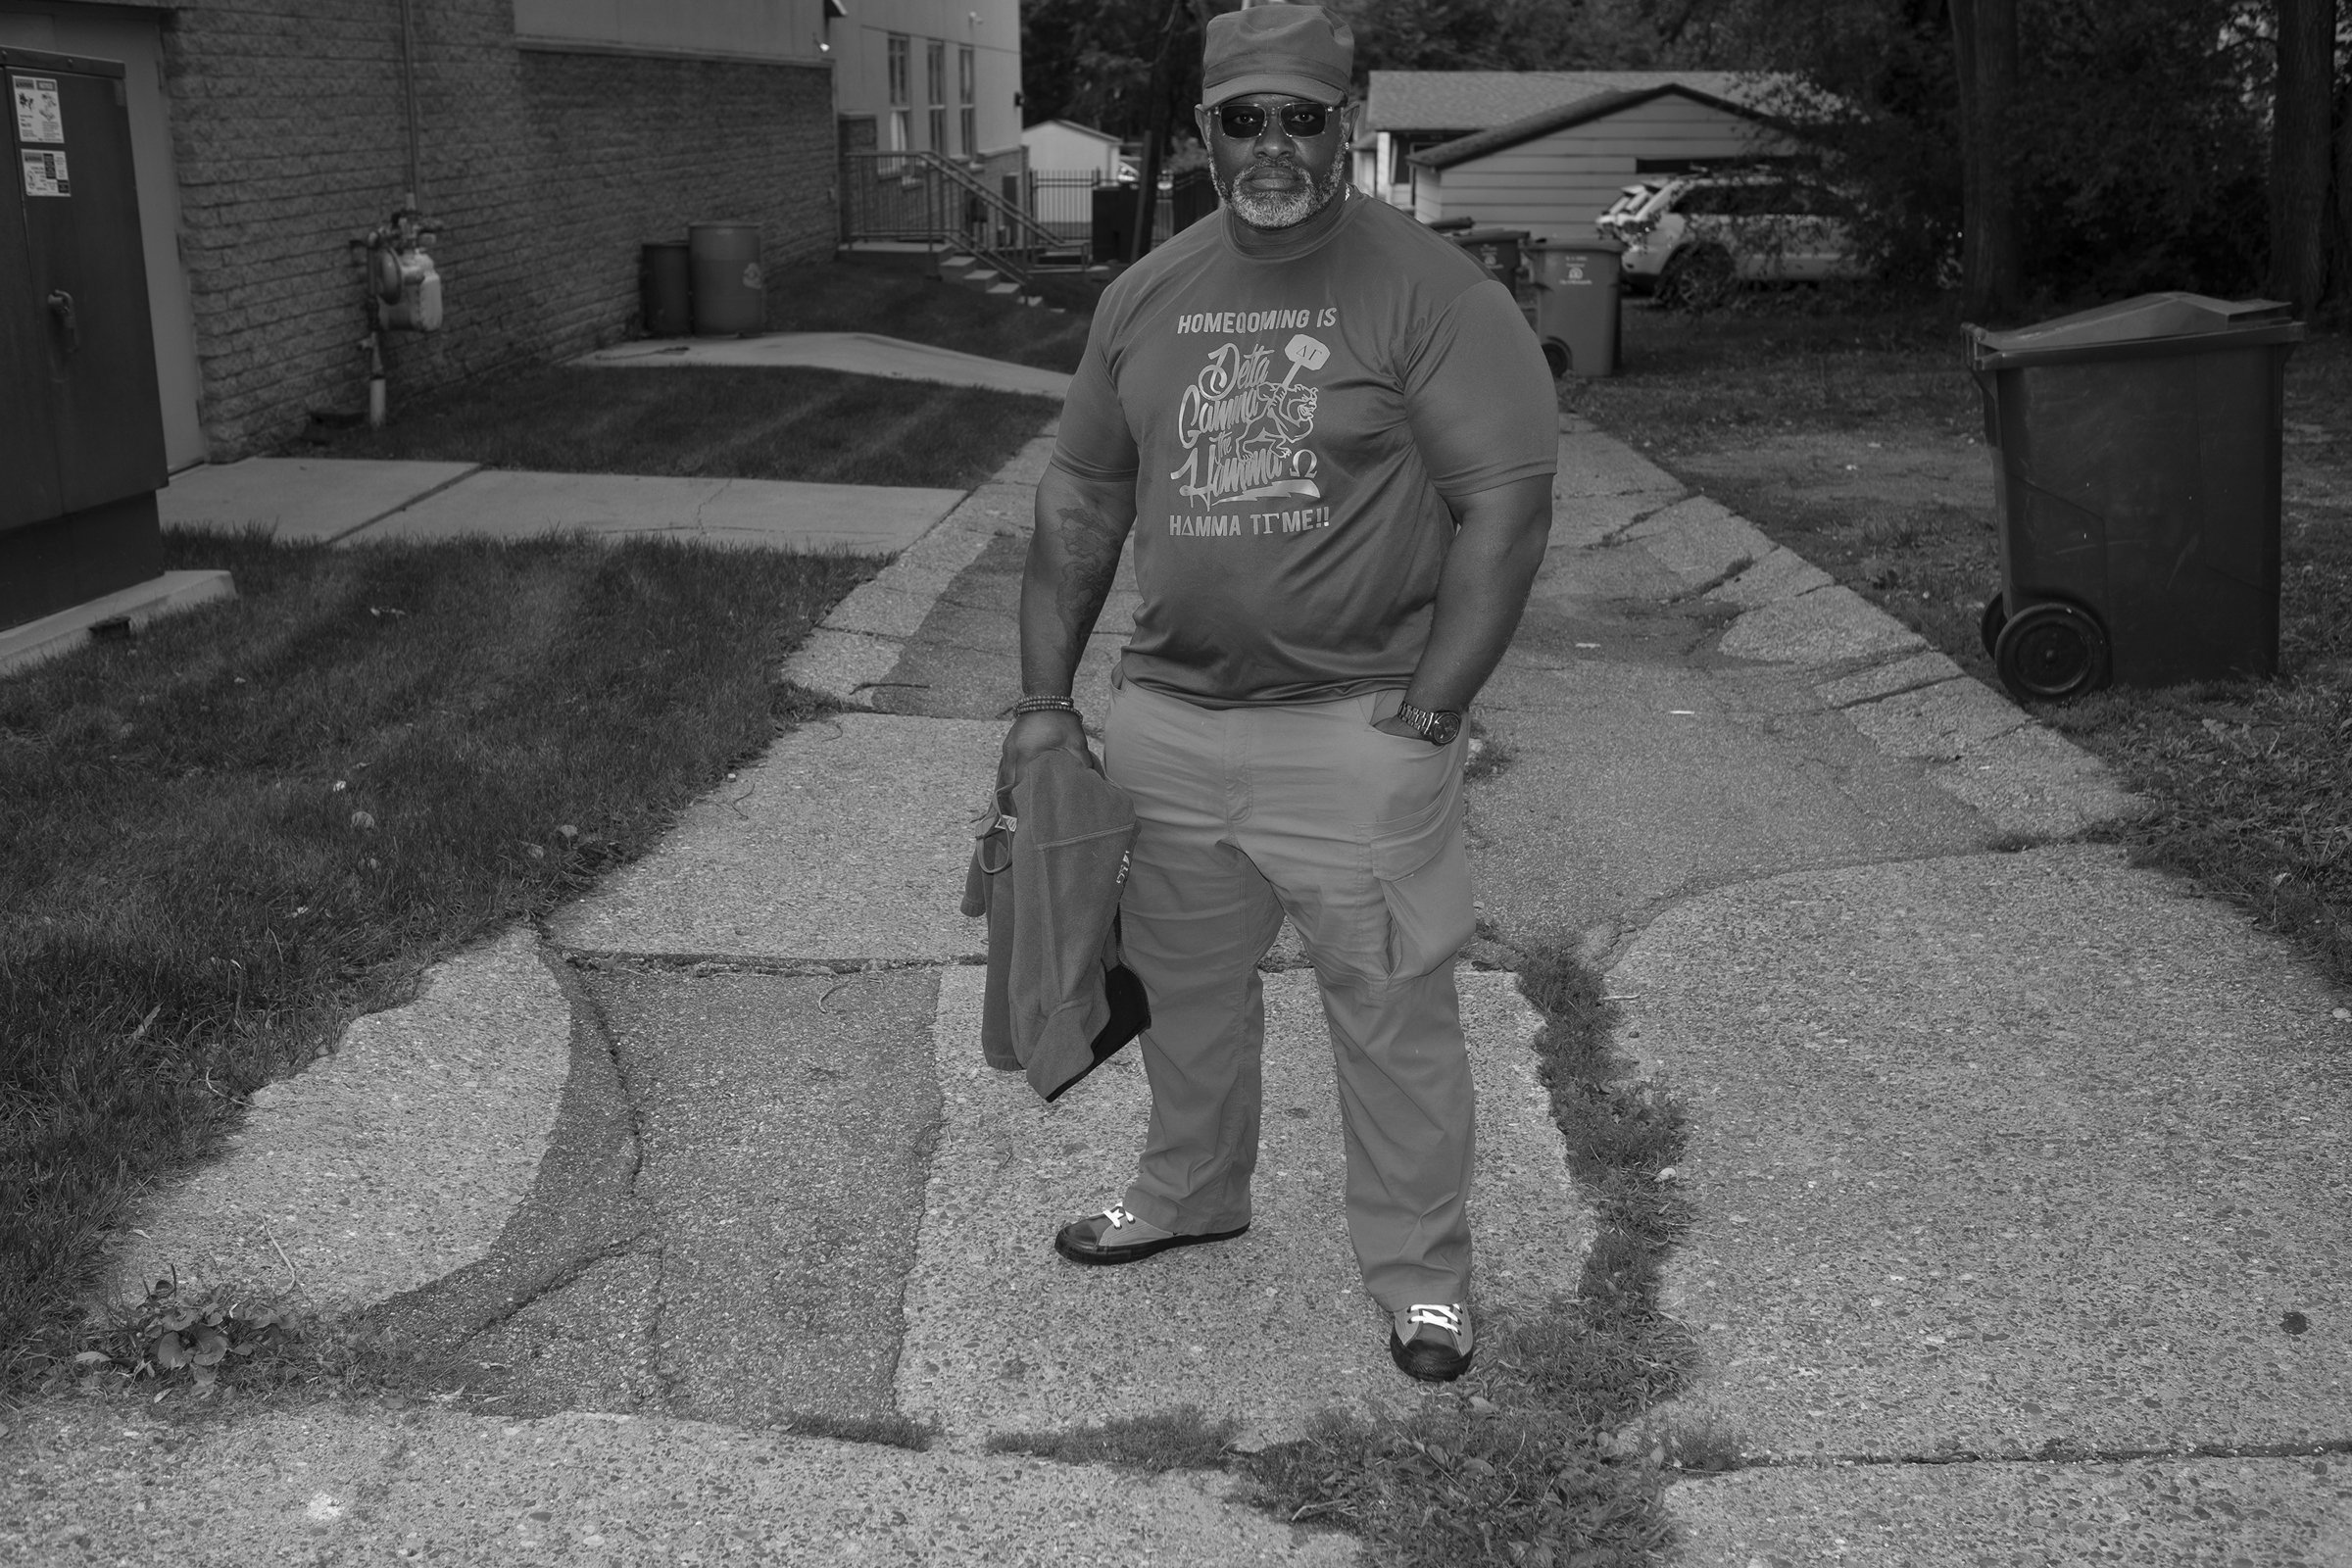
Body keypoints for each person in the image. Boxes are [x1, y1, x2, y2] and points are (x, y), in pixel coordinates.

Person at [996, 1, 1557, 1384]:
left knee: (1390, 1013)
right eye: (1243, 117)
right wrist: (1042, 701)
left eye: (1301, 115)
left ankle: (1423, 1277)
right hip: (1172, 724)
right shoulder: (1146, 295)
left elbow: (1507, 511)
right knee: (1182, 989)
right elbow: (1080, 499)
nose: (1273, 144)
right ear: (1203, 132)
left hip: (1355, 729)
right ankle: (1193, 1190)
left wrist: (1428, 718)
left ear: (1345, 122)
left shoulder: (1433, 294)